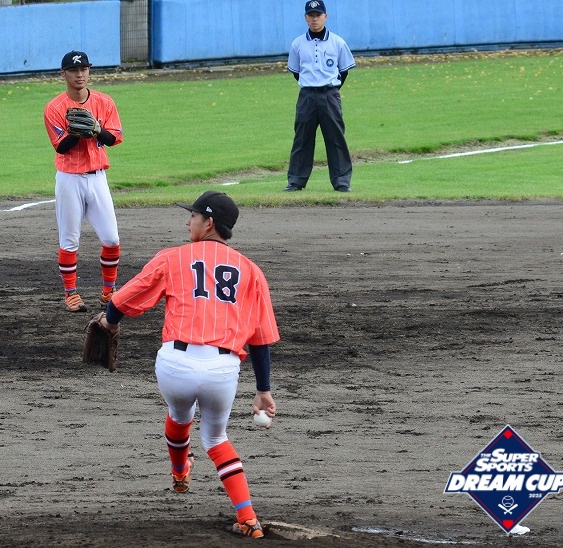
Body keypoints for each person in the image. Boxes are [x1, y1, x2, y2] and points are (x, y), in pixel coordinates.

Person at [99, 191, 280, 539]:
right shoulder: (252, 271)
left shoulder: (173, 257)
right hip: (222, 371)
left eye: (193, 216)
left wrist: (109, 322)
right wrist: (263, 390)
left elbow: (122, 300)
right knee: (215, 438)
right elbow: (260, 338)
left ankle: (180, 470)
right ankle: (248, 518)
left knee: (180, 414)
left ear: (209, 223)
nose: (188, 221)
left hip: (175, 365)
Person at [43, 50, 123, 312]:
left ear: (89, 71)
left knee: (111, 239)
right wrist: (78, 132)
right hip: (69, 179)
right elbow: (61, 146)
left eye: (84, 69)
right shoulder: (54, 108)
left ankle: (108, 292)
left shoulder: (104, 102)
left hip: (98, 178)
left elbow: (114, 138)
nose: (80, 74)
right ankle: (71, 294)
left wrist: (96, 129)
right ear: (63, 74)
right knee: (70, 240)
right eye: (74, 70)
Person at [285, 0, 356, 193]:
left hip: (329, 95)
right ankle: (296, 181)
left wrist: (330, 88)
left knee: (335, 138)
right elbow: (296, 72)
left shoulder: (338, 42)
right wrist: (311, 86)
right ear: (305, 18)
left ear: (325, 16)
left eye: (318, 15)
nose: (314, 19)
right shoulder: (298, 44)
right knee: (302, 139)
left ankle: (341, 182)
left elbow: (344, 71)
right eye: (311, 15)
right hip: (307, 96)